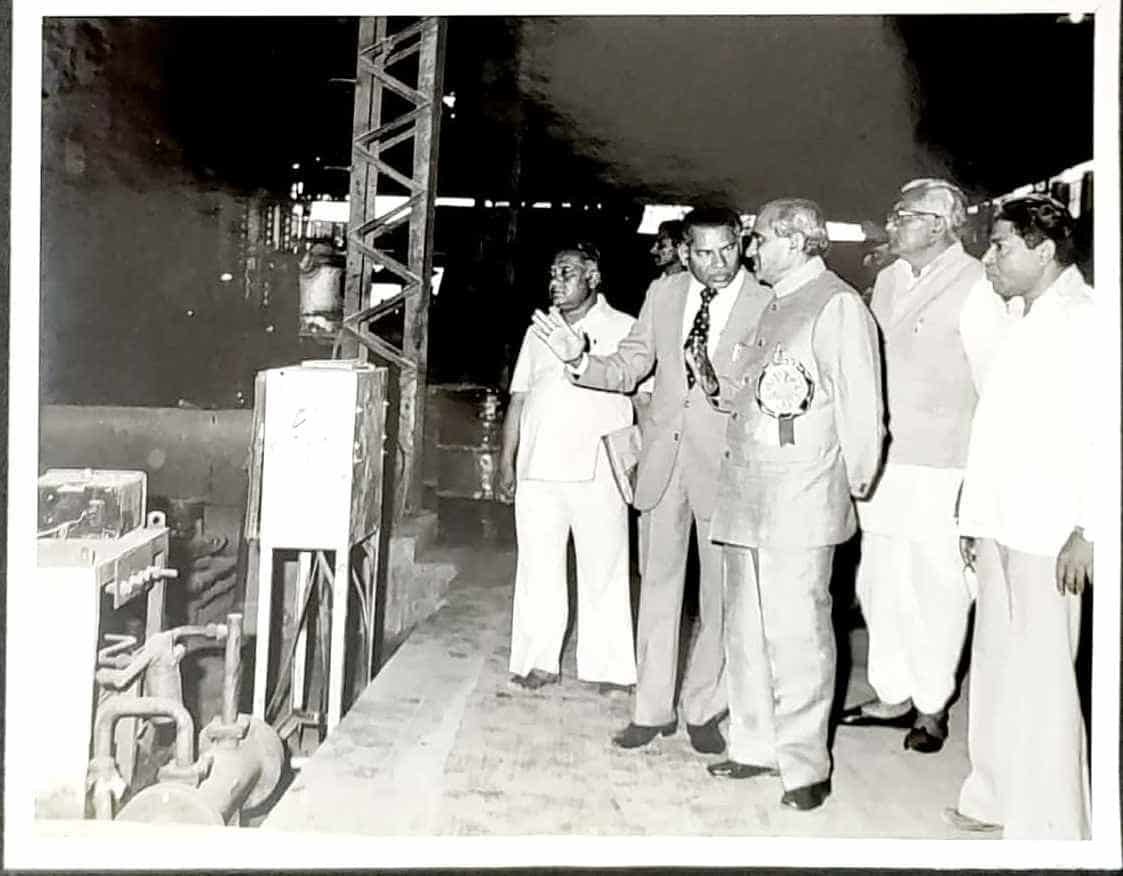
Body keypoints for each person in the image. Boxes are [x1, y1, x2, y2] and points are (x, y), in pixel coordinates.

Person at [530, 207, 769, 754]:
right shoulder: (664, 293)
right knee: (658, 591)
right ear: (685, 251)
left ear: (741, 243)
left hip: (726, 467)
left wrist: (722, 389)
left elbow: (768, 388)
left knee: (720, 599)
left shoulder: (764, 299)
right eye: (704, 253)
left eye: (728, 250)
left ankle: (703, 710)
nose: (718, 263)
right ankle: (652, 710)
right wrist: (580, 361)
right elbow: (631, 364)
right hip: (663, 464)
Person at [692, 198, 883, 811]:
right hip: (746, 493)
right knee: (746, 634)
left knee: (798, 637)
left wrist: (857, 484)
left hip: (800, 498)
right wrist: (714, 384)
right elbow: (756, 395)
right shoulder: (774, 304)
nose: (751, 250)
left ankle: (804, 767)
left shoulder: (836, 304)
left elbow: (860, 405)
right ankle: (753, 746)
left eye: (760, 240)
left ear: (797, 241)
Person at [843, 178, 1010, 753]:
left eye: (904, 216)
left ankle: (932, 705)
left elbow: (996, 390)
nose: (892, 224)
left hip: (943, 467)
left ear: (939, 225)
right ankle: (891, 692)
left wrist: (978, 481)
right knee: (879, 581)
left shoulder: (977, 285)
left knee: (937, 587)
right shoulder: (890, 278)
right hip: (884, 462)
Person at [950, 195, 1094, 839]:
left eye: (1001, 246)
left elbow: (1105, 431)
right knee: (997, 666)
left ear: (1045, 251)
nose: (989, 258)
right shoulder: (1015, 316)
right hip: (999, 519)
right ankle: (993, 798)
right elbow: (996, 425)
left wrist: (1089, 529)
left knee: (1045, 678)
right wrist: (973, 514)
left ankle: (1052, 827)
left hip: (1049, 528)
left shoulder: (1085, 319)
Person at [498, 242, 638, 692]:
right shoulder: (538, 331)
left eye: (567, 273)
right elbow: (519, 399)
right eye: (553, 274)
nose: (556, 282)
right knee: (537, 570)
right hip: (538, 469)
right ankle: (537, 660)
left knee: (605, 570)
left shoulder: (626, 327)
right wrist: (506, 462)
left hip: (599, 470)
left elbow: (643, 398)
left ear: (593, 278)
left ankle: (608, 667)